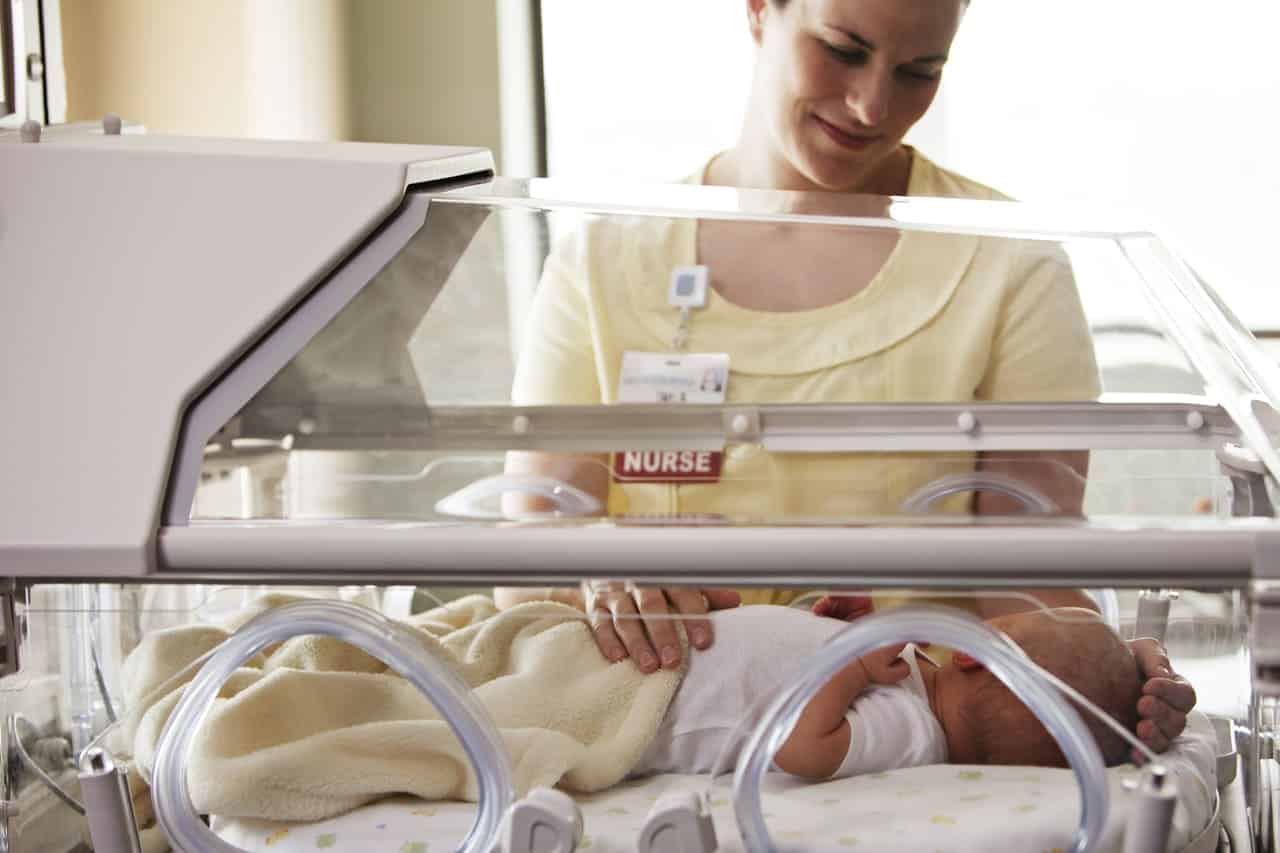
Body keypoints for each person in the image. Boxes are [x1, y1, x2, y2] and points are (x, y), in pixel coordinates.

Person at [495, 0, 1196, 759]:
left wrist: (1096, 668)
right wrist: (600, 576)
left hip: (893, 753)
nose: (871, 107)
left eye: (918, 72)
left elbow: (1027, 572)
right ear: (759, 10)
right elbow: (527, 564)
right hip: (653, 735)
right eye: (843, 49)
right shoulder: (602, 260)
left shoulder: (1007, 261)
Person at [633, 605, 1142, 779]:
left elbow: (799, 748)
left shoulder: (915, 731)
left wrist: (853, 664)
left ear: (973, 651)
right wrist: (834, 630)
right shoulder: (918, 683)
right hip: (663, 651)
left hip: (650, 700)